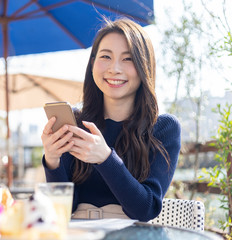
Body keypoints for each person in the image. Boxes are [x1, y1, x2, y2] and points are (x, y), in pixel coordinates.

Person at [40, 18, 181, 221]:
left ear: (145, 67)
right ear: (93, 63)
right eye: (106, 56)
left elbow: (146, 209)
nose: (114, 68)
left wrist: (105, 158)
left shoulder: (163, 128)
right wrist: (52, 161)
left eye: (128, 58)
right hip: (77, 232)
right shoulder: (77, 124)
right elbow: (62, 210)